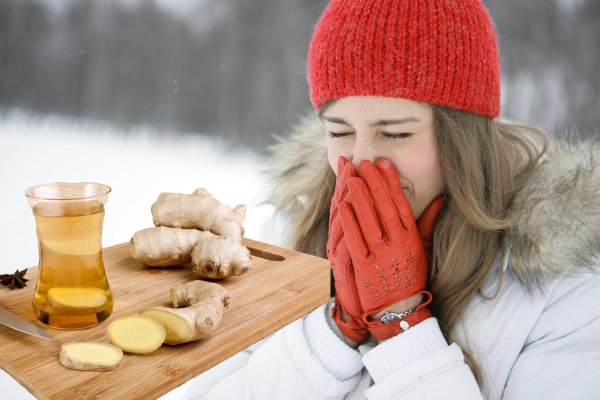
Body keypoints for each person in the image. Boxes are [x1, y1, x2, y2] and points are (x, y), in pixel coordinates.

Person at [199, 0, 600, 398]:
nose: (361, 162)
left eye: (396, 134)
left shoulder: (566, 283)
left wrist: (403, 324)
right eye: (339, 132)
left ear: (462, 138)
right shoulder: (289, 232)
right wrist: (333, 331)